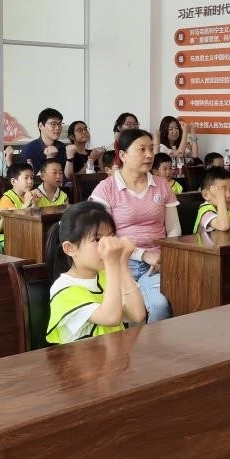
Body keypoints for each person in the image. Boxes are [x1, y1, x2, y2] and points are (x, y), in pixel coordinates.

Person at [89, 128, 180, 322]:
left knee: (160, 304)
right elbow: (104, 238)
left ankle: (153, 342)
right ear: (122, 155)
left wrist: (166, 257)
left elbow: (173, 228)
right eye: (142, 149)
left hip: (157, 262)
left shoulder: (162, 185)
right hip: (120, 262)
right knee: (127, 311)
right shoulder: (106, 188)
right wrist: (143, 254)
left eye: (151, 149)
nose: (149, 155)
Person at [45, 201, 147, 344]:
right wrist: (112, 264)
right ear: (70, 248)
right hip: (83, 358)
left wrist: (122, 263)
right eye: (97, 239)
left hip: (116, 355)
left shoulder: (107, 274)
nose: (108, 246)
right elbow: (110, 318)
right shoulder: (64, 289)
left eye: (111, 236)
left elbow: (138, 315)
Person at [20, 108, 72, 178]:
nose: (57, 128)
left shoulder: (62, 147)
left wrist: (70, 158)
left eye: (60, 124)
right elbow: (34, 180)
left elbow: (68, 178)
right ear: (41, 126)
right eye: (53, 124)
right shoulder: (29, 150)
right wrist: (50, 158)